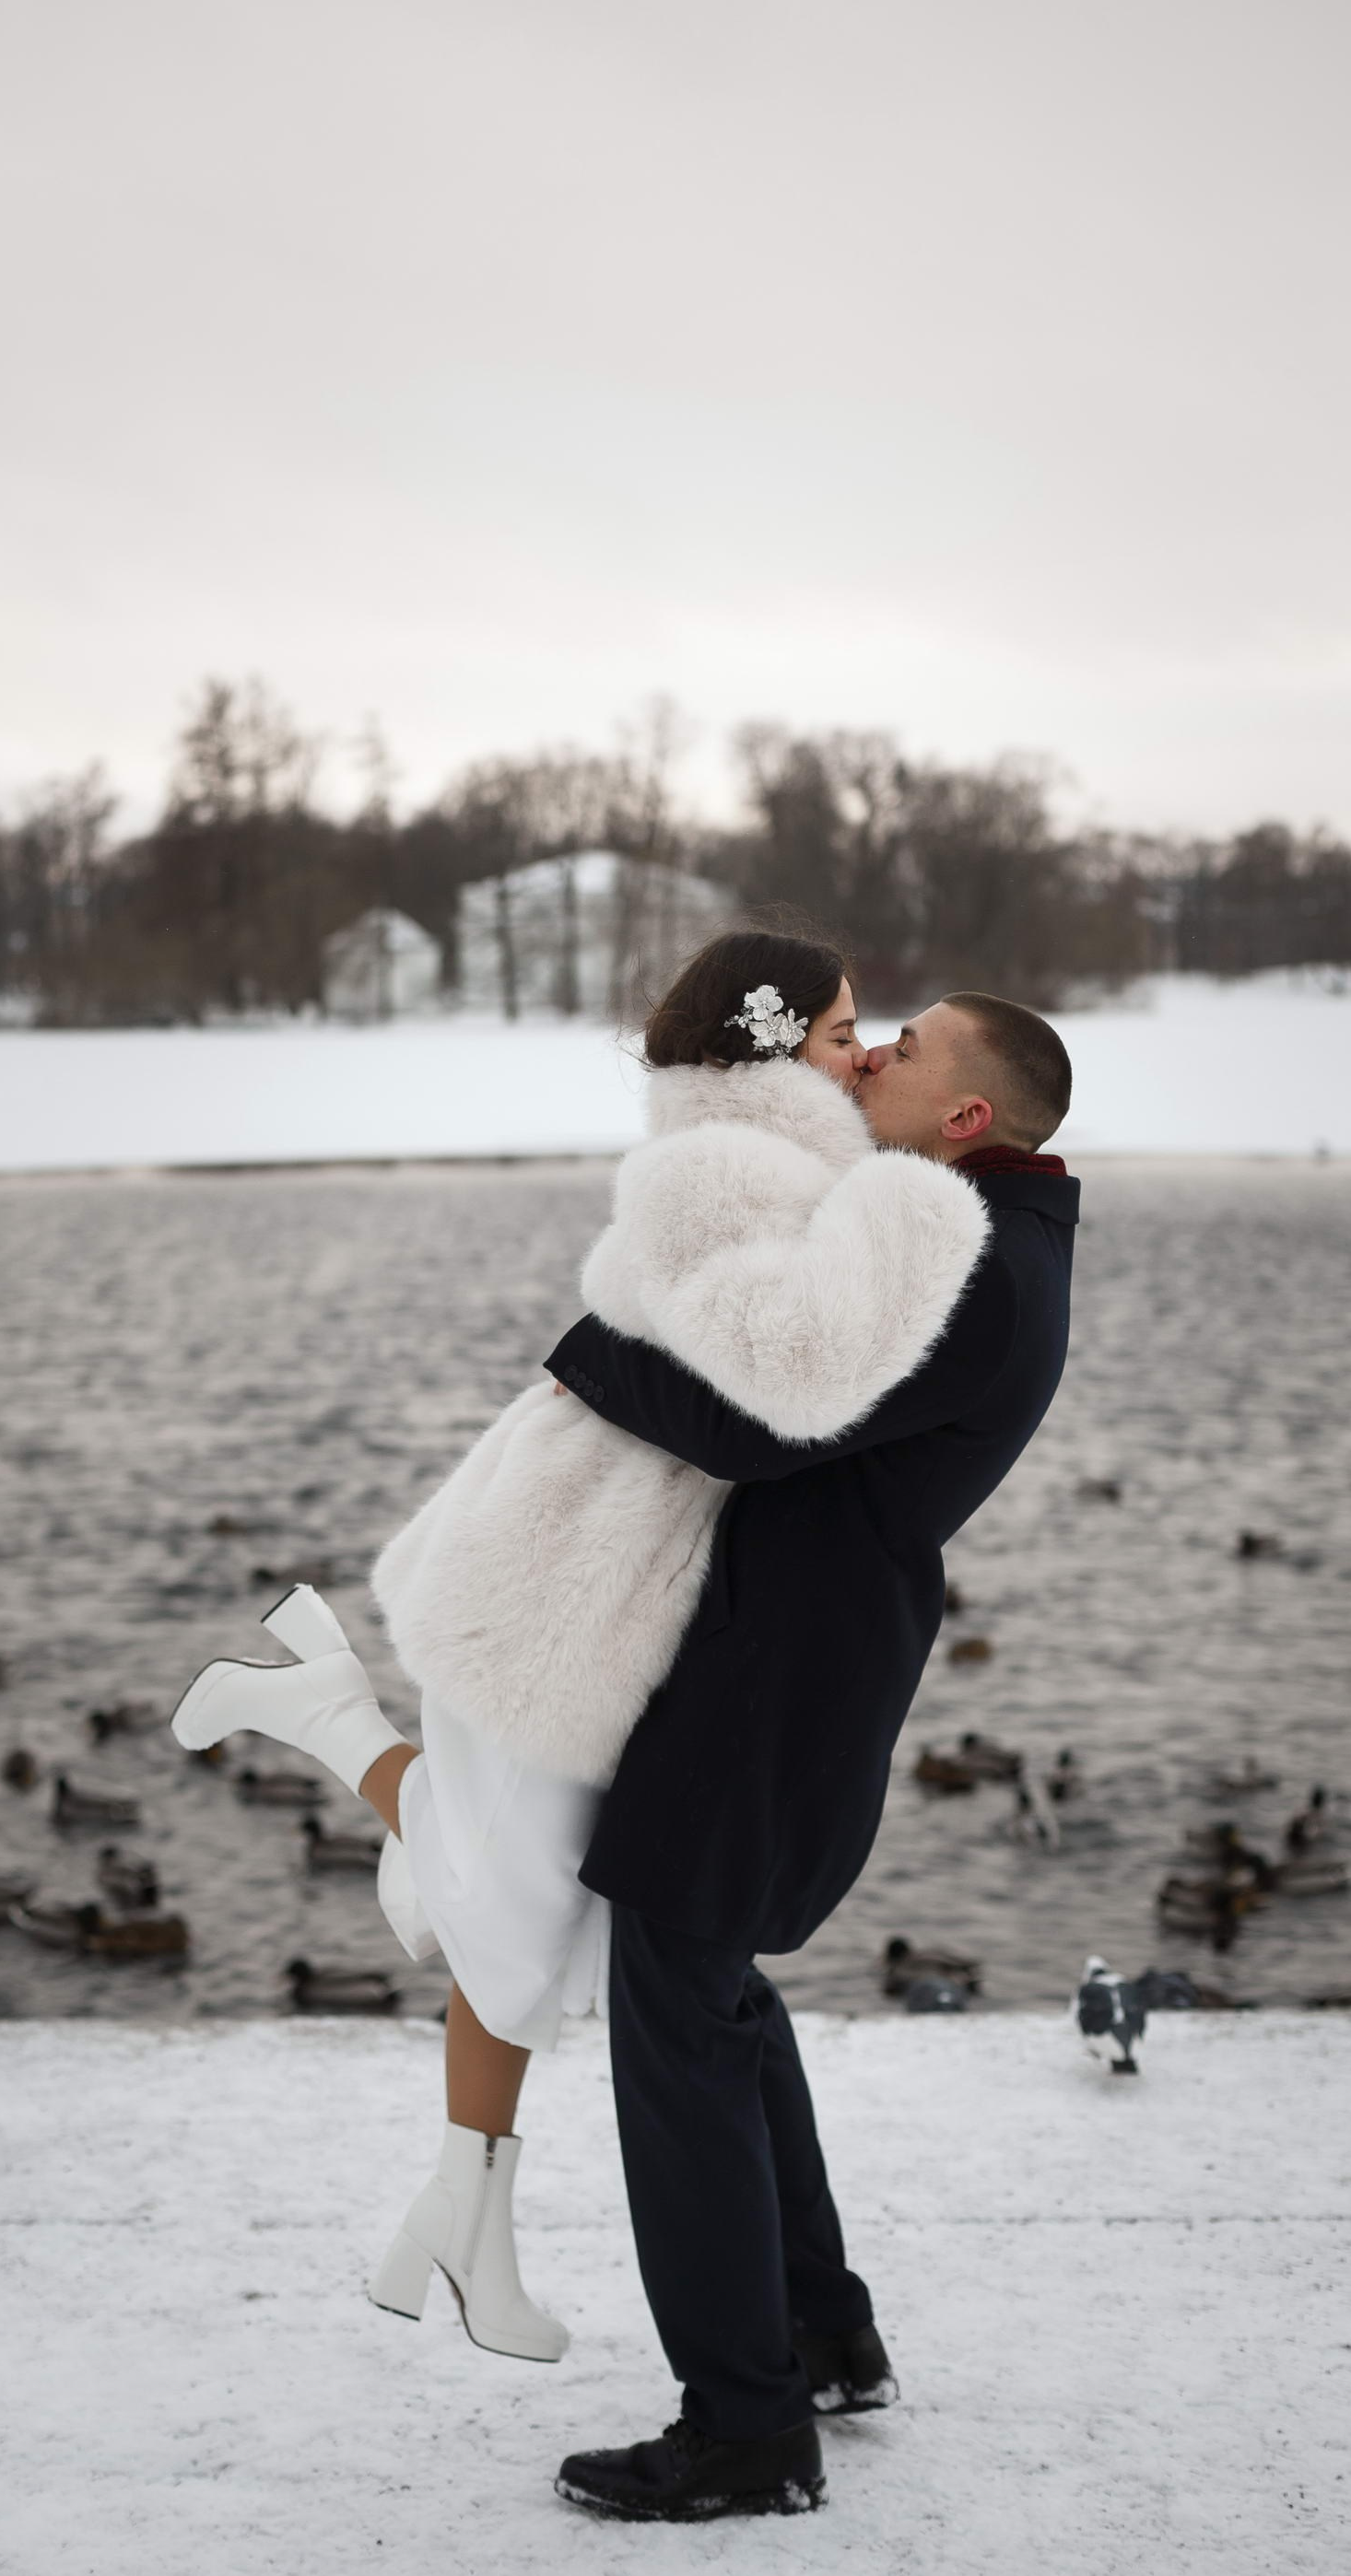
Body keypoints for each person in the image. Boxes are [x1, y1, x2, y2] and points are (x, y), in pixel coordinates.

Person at [170, 927, 992, 2368]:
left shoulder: (773, 1161)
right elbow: (791, 1384)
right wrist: (919, 1212)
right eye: (844, 1031)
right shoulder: (720, 1171)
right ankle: (336, 1734)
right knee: (518, 1918)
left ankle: (464, 2224)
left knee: (529, 1923)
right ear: (770, 1049)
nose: (869, 1050)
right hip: (553, 1582)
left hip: (602, 1587)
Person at [545, 989, 1078, 2519]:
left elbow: (766, 1423)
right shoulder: (981, 1231)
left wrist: (589, 1354)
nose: (877, 1053)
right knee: (715, 1989)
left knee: (675, 2008)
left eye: (907, 1051)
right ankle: (821, 2338)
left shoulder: (970, 1260)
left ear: (968, 1119)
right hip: (802, 1653)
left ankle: (745, 2426)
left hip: (783, 1677)